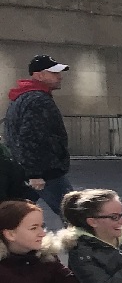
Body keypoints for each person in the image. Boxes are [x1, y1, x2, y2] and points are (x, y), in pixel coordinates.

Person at [4, 56, 74, 216]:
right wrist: (35, 174)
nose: (59, 76)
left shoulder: (21, 97)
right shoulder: (38, 100)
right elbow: (30, 137)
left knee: (16, 215)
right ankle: (83, 240)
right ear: (39, 75)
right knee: (73, 214)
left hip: (27, 169)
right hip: (45, 171)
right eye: (54, 73)